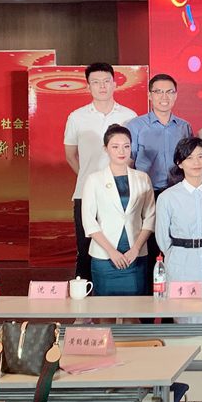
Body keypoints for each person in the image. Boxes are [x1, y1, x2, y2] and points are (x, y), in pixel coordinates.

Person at [64, 62, 137, 281]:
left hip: (122, 193)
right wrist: (91, 181)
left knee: (120, 246)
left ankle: (119, 295)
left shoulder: (129, 116)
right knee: (85, 249)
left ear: (115, 84)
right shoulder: (77, 117)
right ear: (88, 86)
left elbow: (133, 154)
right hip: (85, 193)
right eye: (95, 82)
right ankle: (84, 301)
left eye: (106, 81)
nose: (102, 86)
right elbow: (70, 155)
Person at [127, 73, 192, 293]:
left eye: (169, 92)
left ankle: (174, 298)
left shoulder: (184, 127)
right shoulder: (136, 126)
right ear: (150, 95)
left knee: (175, 245)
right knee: (149, 247)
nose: (164, 97)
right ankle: (148, 302)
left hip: (177, 194)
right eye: (158, 92)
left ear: (176, 95)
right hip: (148, 194)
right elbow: (129, 162)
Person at [155, 137, 202, 327]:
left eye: (201, 156)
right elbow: (162, 238)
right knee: (185, 319)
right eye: (189, 158)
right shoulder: (167, 197)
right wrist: (178, 255)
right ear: (179, 163)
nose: (196, 162)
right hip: (181, 261)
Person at [81, 124, 155, 297]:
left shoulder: (142, 178)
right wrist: (111, 252)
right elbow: (89, 221)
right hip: (105, 255)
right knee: (105, 309)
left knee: (135, 308)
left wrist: (136, 249)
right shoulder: (94, 180)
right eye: (115, 147)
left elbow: (150, 217)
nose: (121, 151)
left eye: (126, 146)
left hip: (135, 254)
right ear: (105, 149)